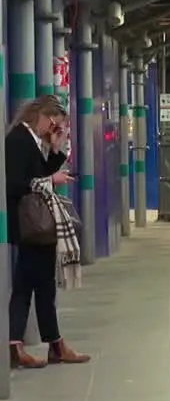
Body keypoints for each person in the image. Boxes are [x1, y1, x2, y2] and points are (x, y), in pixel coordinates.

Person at [7, 95, 89, 368]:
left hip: (34, 226)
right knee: (30, 286)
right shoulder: (18, 140)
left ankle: (48, 344)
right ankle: (29, 346)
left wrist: (55, 150)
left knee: (39, 285)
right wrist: (49, 180)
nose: (54, 130)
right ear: (44, 116)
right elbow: (15, 184)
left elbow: (40, 172)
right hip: (29, 224)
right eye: (54, 125)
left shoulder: (31, 140)